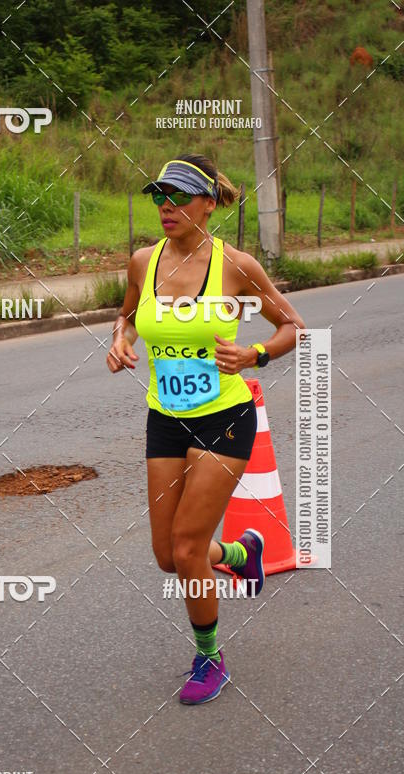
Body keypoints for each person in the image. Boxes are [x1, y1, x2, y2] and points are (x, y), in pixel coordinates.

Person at [106, 155, 305, 704]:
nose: (165, 207)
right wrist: (121, 340)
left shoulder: (236, 266)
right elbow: (126, 316)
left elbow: (293, 325)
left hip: (225, 419)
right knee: (167, 556)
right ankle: (241, 555)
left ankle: (209, 657)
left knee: (189, 547)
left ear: (209, 204)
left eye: (179, 197)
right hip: (164, 420)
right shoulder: (143, 263)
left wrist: (255, 353)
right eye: (158, 196)